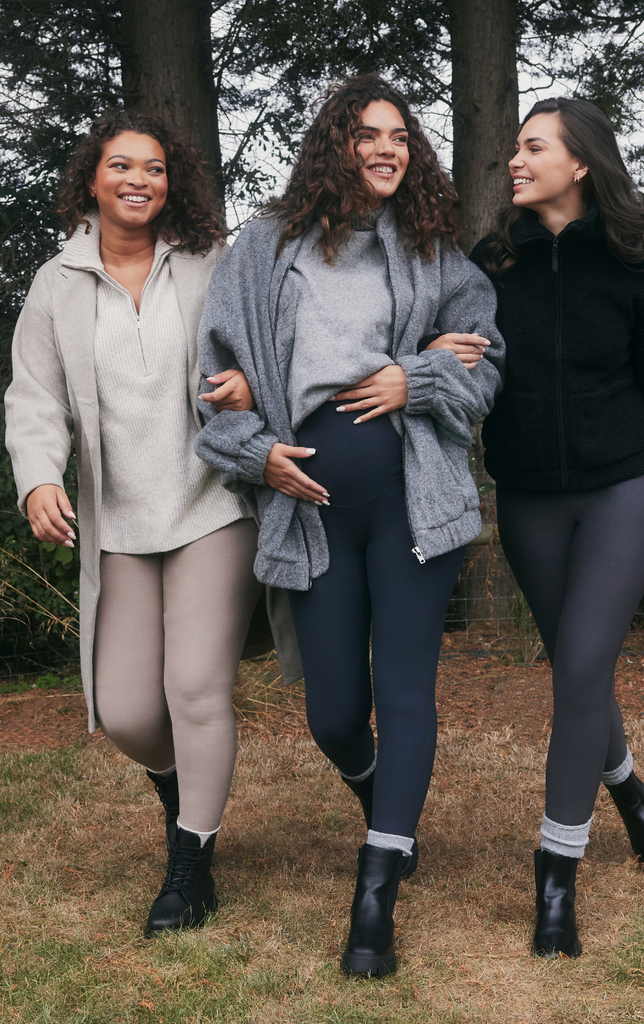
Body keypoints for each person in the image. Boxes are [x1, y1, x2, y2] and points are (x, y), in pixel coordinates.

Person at [194, 74, 504, 975]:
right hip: (311, 507)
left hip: (414, 495)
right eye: (368, 134)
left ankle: (376, 894)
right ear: (335, 146)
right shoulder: (265, 249)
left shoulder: (434, 250)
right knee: (333, 711)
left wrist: (422, 378)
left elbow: (485, 363)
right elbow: (212, 384)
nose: (387, 148)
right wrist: (257, 453)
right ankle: (388, 810)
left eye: (400, 136)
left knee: (404, 686)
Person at [4, 109, 300, 936]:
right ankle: (187, 800)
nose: (140, 180)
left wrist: (245, 384)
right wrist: (37, 482)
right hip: (118, 525)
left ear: (173, 186)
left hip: (210, 505)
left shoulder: (208, 262)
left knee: (195, 688)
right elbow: (33, 398)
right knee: (130, 711)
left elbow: (264, 344)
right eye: (123, 166)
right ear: (91, 180)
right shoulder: (55, 283)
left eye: (156, 169)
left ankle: (190, 866)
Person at [454, 96, 644, 957]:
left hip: (626, 484)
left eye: (532, 147)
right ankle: (631, 798)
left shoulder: (636, 262)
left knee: (580, 666)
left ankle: (555, 878)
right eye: (513, 148)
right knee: (580, 671)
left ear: (580, 164)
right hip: (530, 495)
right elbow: (451, 354)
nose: (514, 159)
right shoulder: (491, 261)